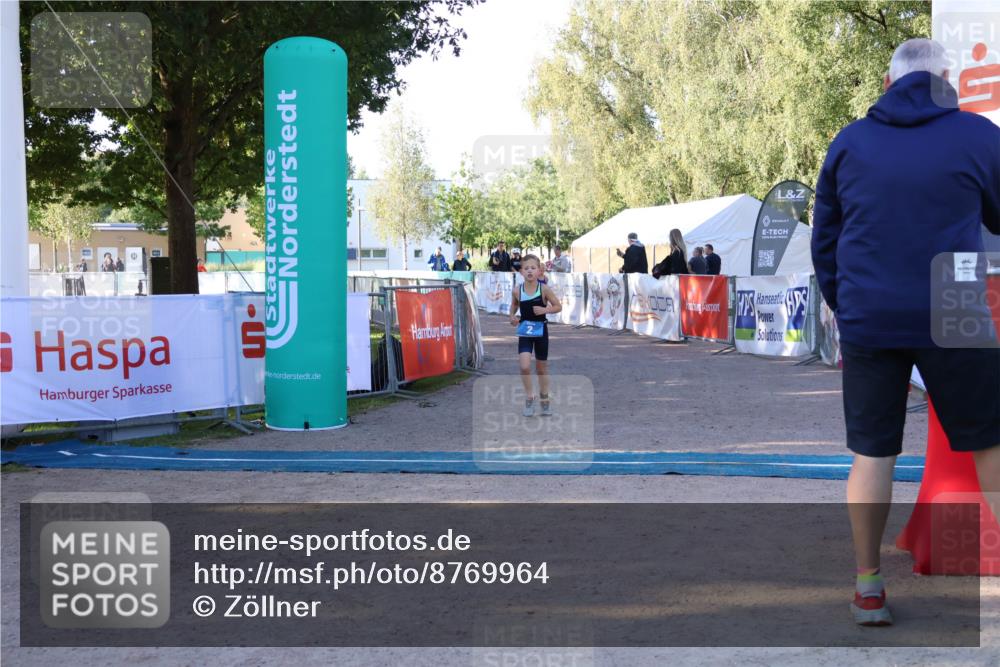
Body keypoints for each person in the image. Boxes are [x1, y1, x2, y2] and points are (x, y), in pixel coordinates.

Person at [811, 38, 1000, 627]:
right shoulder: (979, 135)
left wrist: (847, 304)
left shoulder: (849, 141)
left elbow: (825, 239)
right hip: (956, 296)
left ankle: (869, 586)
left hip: (871, 307)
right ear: (946, 81)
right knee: (991, 441)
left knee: (873, 451)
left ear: (889, 84)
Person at [509, 254, 562, 417]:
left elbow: (558, 306)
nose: (530, 271)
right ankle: (529, 397)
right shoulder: (517, 290)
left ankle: (544, 399)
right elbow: (514, 306)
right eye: (526, 268)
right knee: (524, 366)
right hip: (525, 331)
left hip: (541, 331)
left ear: (539, 271)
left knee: (541, 369)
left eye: (533, 268)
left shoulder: (544, 288)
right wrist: (512, 317)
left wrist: (545, 310)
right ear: (521, 272)